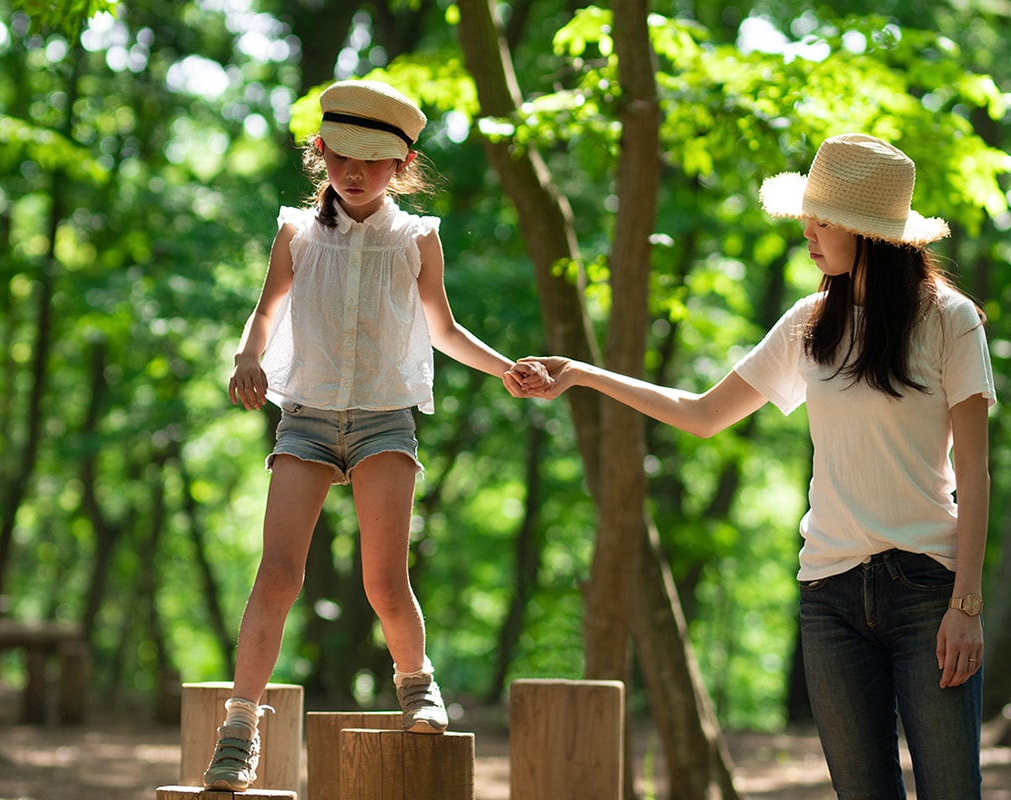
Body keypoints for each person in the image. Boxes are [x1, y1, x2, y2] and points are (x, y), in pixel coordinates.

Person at [517, 133, 995, 797]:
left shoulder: (949, 321)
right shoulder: (810, 322)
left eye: (823, 219)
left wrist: (966, 604)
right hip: (830, 596)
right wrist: (581, 375)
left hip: (926, 591)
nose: (807, 229)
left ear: (868, 233)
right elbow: (702, 413)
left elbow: (975, 472)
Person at [205, 78, 545, 791]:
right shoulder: (295, 233)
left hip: (385, 417)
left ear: (402, 167)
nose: (353, 174)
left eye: (372, 161)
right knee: (278, 575)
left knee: (385, 580)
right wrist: (247, 357)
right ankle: (240, 726)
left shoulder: (418, 239)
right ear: (320, 153)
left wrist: (501, 369)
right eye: (340, 158)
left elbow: (442, 330)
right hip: (306, 416)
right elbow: (265, 313)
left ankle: (416, 684)